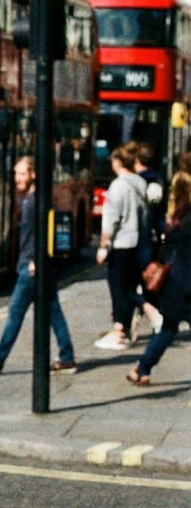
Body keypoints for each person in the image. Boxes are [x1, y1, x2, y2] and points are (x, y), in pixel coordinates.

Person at [0, 156, 77, 375]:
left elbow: (43, 233)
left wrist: (36, 262)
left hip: (32, 267)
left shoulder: (37, 200)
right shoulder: (30, 199)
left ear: (33, 174)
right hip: (33, 264)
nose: (17, 179)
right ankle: (67, 358)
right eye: (16, 174)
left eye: (21, 174)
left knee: (15, 311)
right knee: (52, 312)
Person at [128, 170, 191, 385]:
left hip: (176, 284)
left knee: (168, 328)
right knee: (167, 328)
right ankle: (142, 368)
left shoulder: (176, 217)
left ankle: (142, 369)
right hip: (186, 284)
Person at [95, 144, 149, 351]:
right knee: (129, 285)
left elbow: (111, 221)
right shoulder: (140, 182)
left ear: (117, 162)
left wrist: (102, 246)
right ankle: (124, 327)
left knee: (117, 286)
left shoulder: (117, 186)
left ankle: (119, 331)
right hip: (138, 243)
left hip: (121, 243)